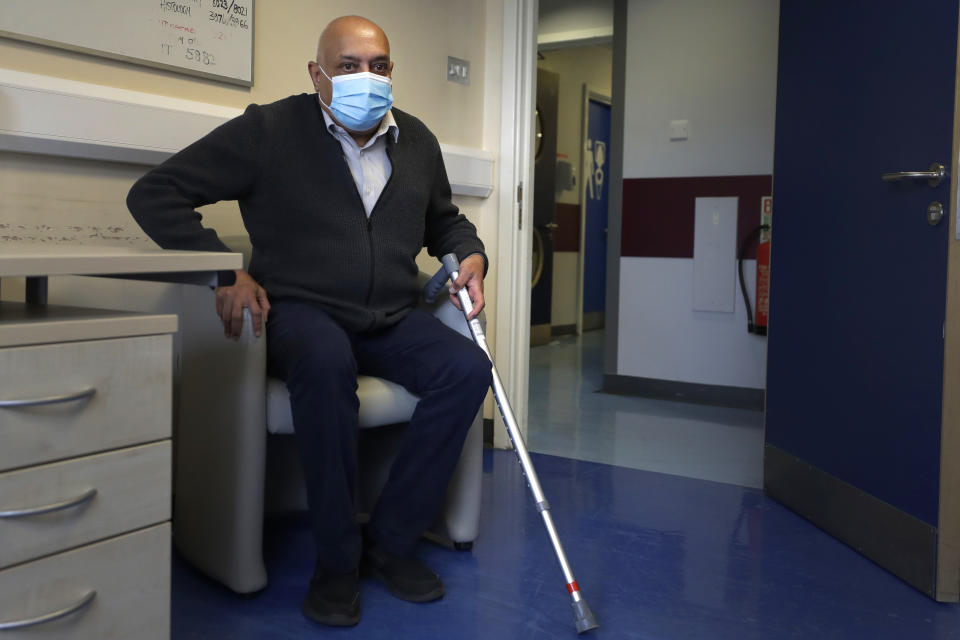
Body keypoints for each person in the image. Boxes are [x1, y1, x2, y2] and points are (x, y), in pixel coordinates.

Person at [126, 15, 491, 628]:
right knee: (324, 361)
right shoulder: (269, 129)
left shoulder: (418, 141)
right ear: (317, 74)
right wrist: (224, 269)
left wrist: (472, 252)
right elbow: (156, 192)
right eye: (348, 66)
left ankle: (393, 543)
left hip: (390, 315)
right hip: (301, 310)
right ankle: (337, 562)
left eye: (377, 66)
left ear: (392, 72)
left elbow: (445, 222)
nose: (364, 78)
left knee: (466, 367)